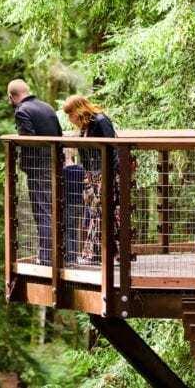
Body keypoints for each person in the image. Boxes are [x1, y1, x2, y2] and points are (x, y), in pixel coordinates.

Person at [63, 95, 121, 264]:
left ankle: (102, 254)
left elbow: (112, 148)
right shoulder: (85, 126)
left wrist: (107, 175)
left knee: (102, 213)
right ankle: (106, 254)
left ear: (78, 110)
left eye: (70, 114)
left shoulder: (100, 121)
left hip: (105, 173)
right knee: (96, 213)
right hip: (91, 175)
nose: (69, 118)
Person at [8, 79, 61, 265]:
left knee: (42, 211)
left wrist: (18, 142)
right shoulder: (47, 107)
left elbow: (28, 139)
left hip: (38, 168)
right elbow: (59, 135)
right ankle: (57, 254)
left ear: (12, 96)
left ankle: (46, 257)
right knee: (54, 209)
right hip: (54, 163)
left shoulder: (22, 111)